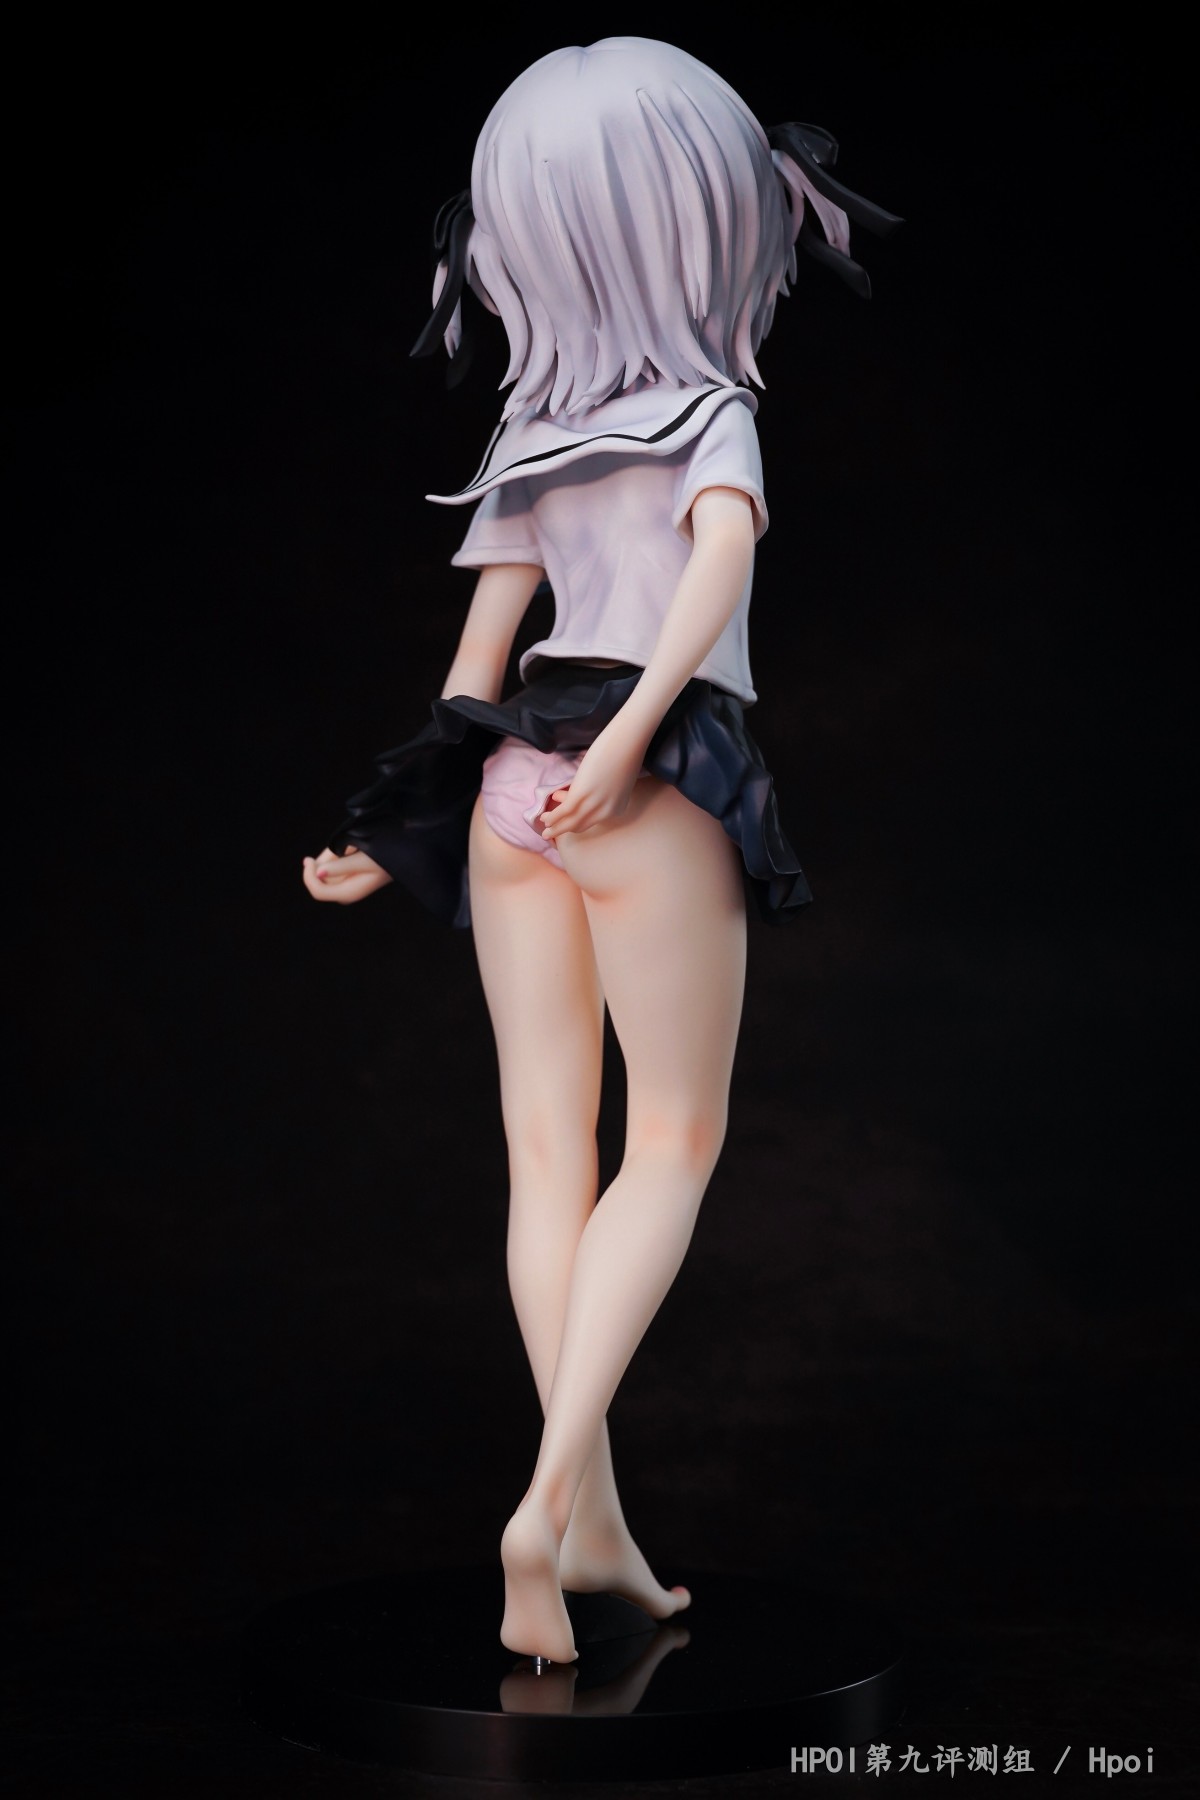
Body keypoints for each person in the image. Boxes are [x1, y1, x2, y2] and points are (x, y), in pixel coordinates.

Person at [302, 37, 898, 1663]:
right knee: (676, 1139)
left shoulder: (531, 432)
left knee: (547, 1155)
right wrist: (633, 743)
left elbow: (475, 665)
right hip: (645, 779)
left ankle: (599, 1526)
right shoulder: (709, 408)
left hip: (513, 791)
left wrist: (403, 825)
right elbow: (715, 573)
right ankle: (548, 1498)